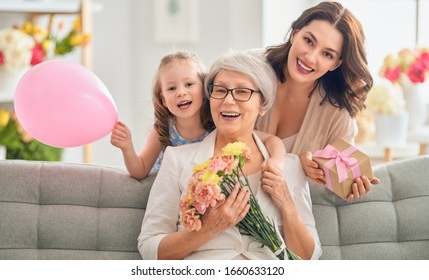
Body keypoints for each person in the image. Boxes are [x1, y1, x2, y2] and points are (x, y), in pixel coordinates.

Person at [138, 51, 321, 260]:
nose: (228, 101)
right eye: (220, 91)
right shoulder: (177, 160)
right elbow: (149, 248)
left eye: (242, 92)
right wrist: (207, 229)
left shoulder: (290, 166)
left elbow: (309, 258)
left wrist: (287, 205)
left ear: (262, 105)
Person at [255, 1, 380, 200]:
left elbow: (334, 182)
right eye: (309, 41)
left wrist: (349, 186)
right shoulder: (249, 70)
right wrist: (298, 162)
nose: (311, 57)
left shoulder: (337, 113)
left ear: (335, 64)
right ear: (295, 33)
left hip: (283, 214)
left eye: (327, 54)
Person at [111, 51, 286, 180]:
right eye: (172, 88)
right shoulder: (164, 130)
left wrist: (276, 161)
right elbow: (140, 170)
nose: (181, 92)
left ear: (204, 91)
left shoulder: (217, 125)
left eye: (189, 84)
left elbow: (271, 140)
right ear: (163, 99)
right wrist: (127, 147)